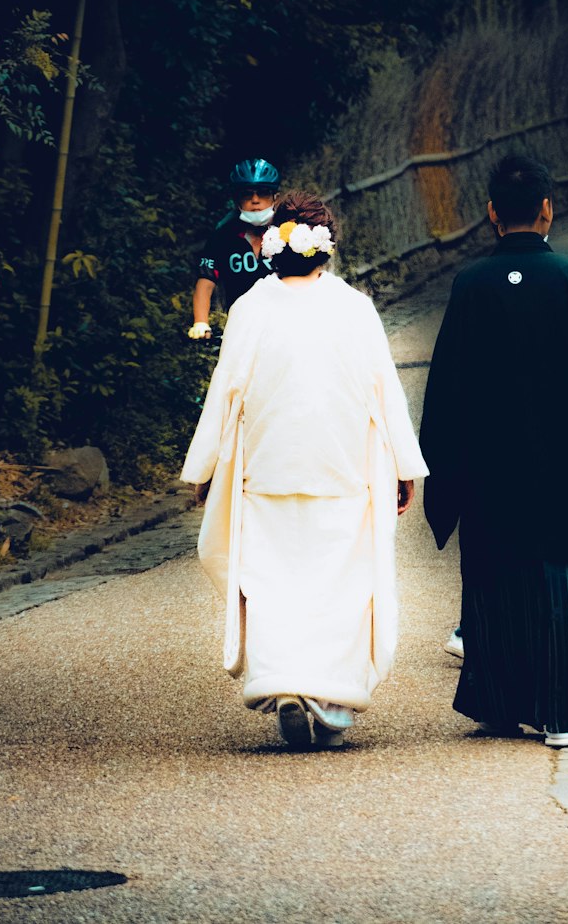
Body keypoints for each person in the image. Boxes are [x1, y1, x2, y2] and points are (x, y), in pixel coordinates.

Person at [181, 189, 428, 749]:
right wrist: (402, 465)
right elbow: (384, 391)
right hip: (343, 469)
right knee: (339, 582)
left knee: (270, 580)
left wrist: (206, 468)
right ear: (326, 250)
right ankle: (328, 700)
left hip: (266, 468)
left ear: (272, 246)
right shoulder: (354, 308)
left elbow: (227, 393)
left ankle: (281, 683)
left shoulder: (249, 309)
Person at [419, 154, 568, 748]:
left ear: (492, 214)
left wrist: (440, 463)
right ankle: (565, 714)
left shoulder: (470, 286)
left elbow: (446, 385)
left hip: (493, 469)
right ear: (548, 209)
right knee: (566, 577)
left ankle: (499, 704)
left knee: (496, 577)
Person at [188, 157, 281, 340]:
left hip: (283, 326)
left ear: (274, 198)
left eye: (263, 193)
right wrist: (201, 322)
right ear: (237, 199)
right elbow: (205, 282)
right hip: (241, 330)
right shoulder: (222, 236)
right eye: (247, 194)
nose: (255, 200)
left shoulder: (288, 232)